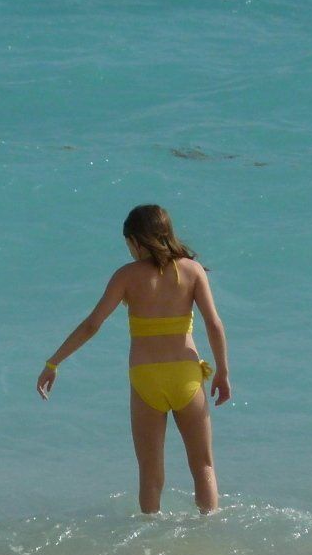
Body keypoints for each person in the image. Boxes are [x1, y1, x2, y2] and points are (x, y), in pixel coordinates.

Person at [37, 204, 231, 514]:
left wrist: (53, 362)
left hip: (146, 378)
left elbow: (92, 325)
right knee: (203, 466)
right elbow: (214, 324)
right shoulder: (192, 270)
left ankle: (148, 547)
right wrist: (222, 372)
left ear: (136, 241)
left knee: (150, 475)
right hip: (186, 374)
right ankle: (209, 531)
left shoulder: (126, 276)